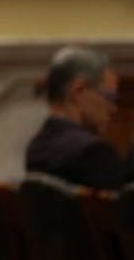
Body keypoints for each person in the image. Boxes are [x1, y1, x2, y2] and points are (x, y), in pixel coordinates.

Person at [25, 46, 131, 190]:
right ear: (79, 91)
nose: (113, 109)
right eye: (110, 98)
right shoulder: (94, 152)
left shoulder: (37, 147)